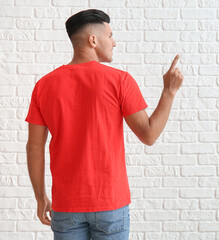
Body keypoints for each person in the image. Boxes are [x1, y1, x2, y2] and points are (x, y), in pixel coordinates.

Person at [25, 9, 183, 240]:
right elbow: (149, 135)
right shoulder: (120, 80)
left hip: (66, 205)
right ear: (93, 40)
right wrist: (169, 91)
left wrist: (41, 198)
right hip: (110, 202)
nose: (114, 42)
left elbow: (34, 148)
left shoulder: (44, 85)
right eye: (110, 36)